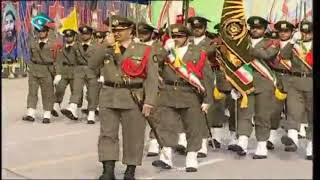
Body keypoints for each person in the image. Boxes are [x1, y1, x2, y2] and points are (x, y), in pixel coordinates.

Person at [97, 15, 158, 179]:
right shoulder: (107, 47)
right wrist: (104, 45)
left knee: (134, 135)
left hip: (133, 97)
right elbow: (91, 63)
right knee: (107, 134)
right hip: (109, 96)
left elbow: (152, 78)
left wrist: (149, 101)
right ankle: (108, 170)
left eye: (120, 30)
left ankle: (130, 170)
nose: (116, 33)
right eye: (114, 30)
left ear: (131, 31)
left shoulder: (144, 50)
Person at [152, 23, 213, 172]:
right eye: (174, 36)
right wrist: (164, 49)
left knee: (193, 127)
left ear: (187, 37)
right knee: (166, 125)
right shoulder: (166, 51)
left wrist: (207, 99)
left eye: (180, 36)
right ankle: (166, 157)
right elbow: (153, 63)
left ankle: (191, 156)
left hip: (190, 93)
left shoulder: (198, 53)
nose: (177, 39)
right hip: (168, 92)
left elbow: (207, 77)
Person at [232, 16, 280, 159]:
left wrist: (247, 48)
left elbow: (266, 55)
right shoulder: (242, 43)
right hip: (245, 82)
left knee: (262, 116)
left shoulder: (271, 43)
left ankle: (261, 146)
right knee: (244, 113)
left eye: (258, 28)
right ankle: (242, 142)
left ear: (264, 30)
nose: (255, 30)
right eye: (252, 27)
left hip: (264, 83)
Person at [280, 20, 313, 160]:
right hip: (294, 81)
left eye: (308, 32)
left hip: (311, 80)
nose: (305, 35)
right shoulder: (295, 45)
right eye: (303, 32)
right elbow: (284, 55)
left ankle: (311, 146)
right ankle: (292, 137)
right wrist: (292, 41)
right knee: (293, 110)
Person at [61, 25, 104, 124]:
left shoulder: (98, 46)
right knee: (76, 90)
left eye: (87, 34)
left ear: (91, 34)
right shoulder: (76, 45)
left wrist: (102, 74)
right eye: (83, 34)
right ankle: (73, 108)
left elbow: (101, 61)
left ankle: (91, 113)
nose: (84, 36)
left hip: (93, 70)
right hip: (79, 69)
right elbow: (72, 59)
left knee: (92, 92)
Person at [266, 20, 295, 150]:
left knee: (292, 110)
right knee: (274, 110)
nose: (283, 33)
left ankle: (292, 139)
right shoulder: (272, 44)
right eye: (281, 31)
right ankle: (270, 139)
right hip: (277, 77)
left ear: (291, 32)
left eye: (286, 31)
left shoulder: (297, 45)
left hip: (292, 78)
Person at [22, 25, 58, 124]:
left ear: (47, 32)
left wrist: (57, 73)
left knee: (47, 93)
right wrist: (30, 65)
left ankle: (47, 115)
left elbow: (57, 59)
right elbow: (28, 53)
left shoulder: (53, 44)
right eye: (39, 31)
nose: (41, 33)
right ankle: (30, 113)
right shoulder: (33, 42)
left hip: (47, 70)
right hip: (34, 69)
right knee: (32, 92)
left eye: (43, 31)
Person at [52, 29, 81, 117]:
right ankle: (56, 105)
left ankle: (75, 110)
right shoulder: (62, 48)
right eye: (66, 37)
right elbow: (58, 61)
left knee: (75, 90)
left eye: (70, 36)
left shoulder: (78, 47)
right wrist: (57, 73)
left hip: (75, 70)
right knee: (59, 88)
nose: (68, 38)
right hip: (64, 71)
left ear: (74, 37)